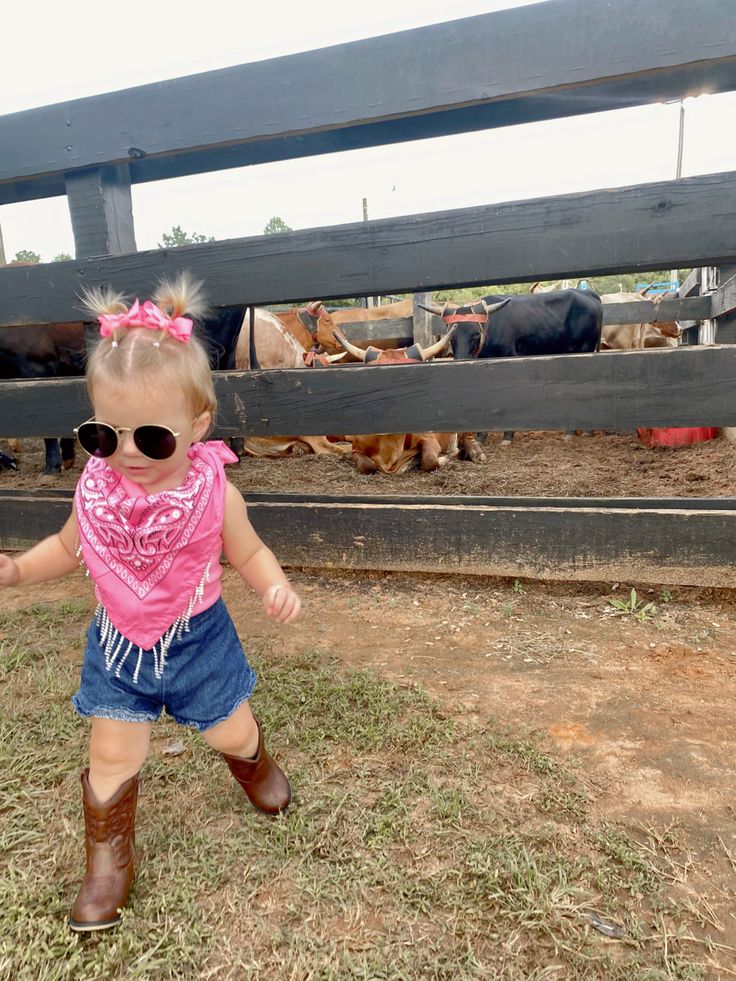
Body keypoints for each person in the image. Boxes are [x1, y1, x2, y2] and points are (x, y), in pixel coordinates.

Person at [0, 274, 301, 932]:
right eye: (105, 436)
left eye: (153, 439)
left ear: (196, 425)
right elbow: (66, 545)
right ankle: (108, 859)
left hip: (198, 642)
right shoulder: (97, 491)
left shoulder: (214, 494)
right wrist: (20, 570)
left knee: (230, 726)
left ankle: (252, 760)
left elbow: (247, 553)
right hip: (118, 644)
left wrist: (273, 584)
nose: (127, 454)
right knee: (112, 751)